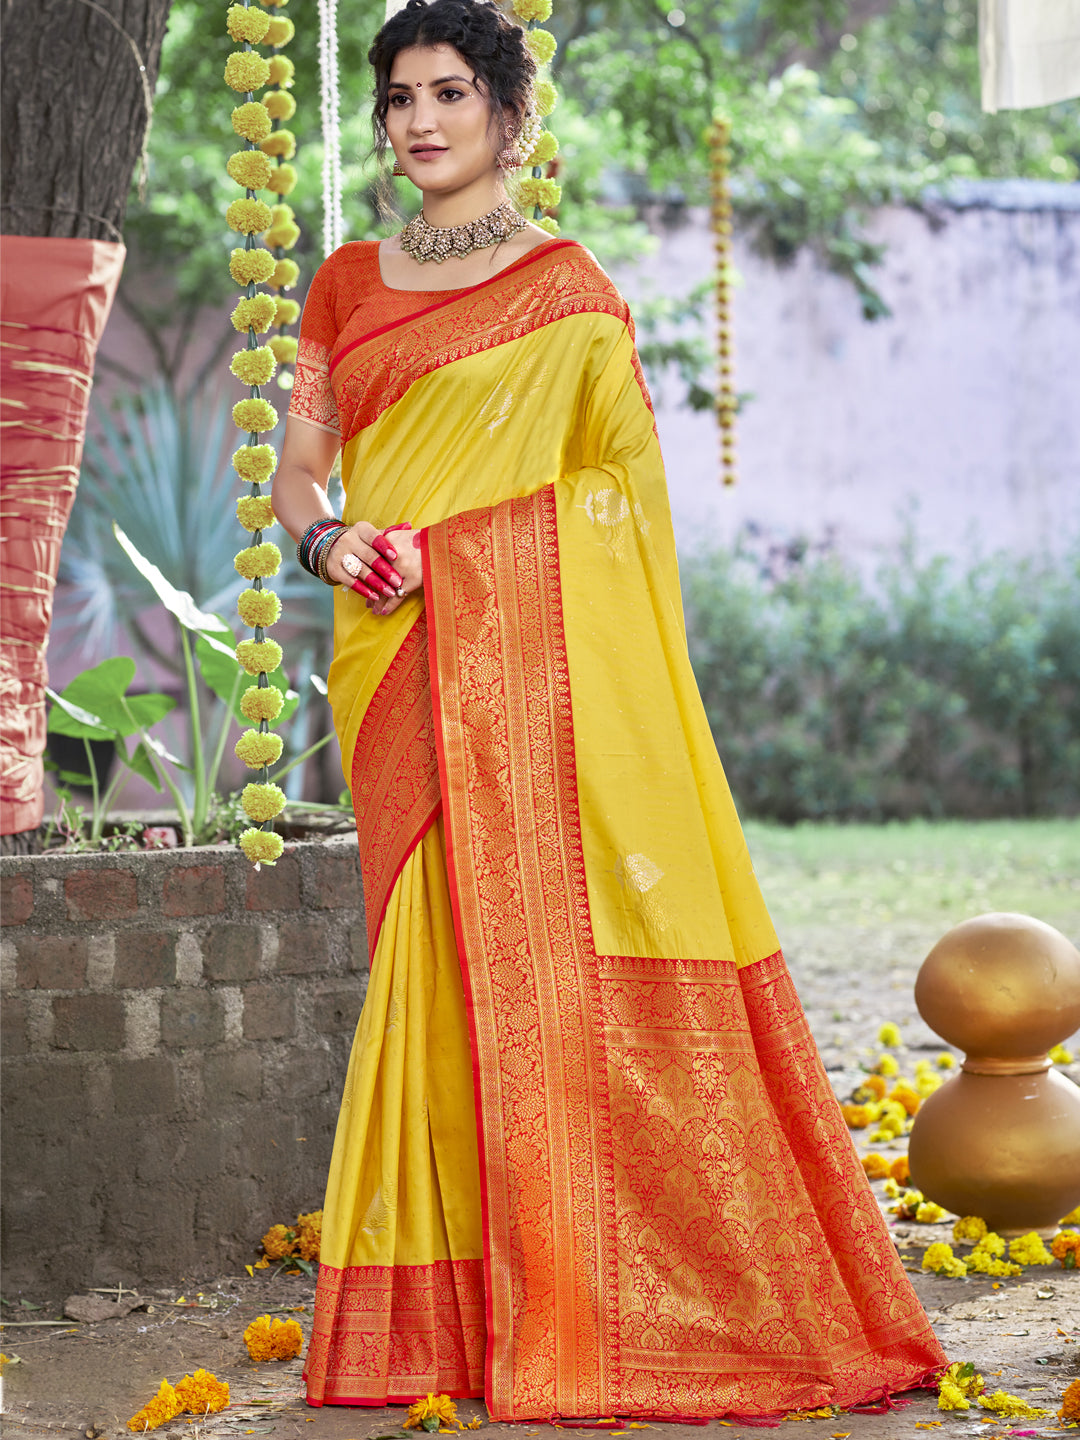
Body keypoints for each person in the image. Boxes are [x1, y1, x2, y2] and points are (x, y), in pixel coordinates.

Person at [272, 0, 947, 1419]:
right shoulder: (342, 284)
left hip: (536, 687)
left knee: (553, 978)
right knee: (433, 973)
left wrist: (467, 557)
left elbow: (622, 511)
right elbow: (299, 481)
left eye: (450, 91)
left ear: (510, 115)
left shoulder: (570, 291)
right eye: (398, 96)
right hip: (400, 664)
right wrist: (336, 544)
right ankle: (455, 1326)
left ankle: (583, 1302)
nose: (418, 119)